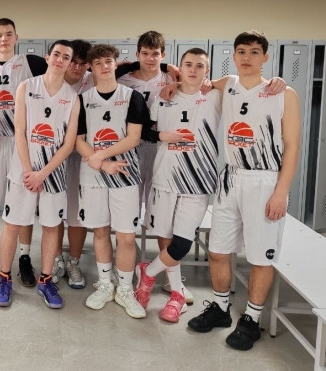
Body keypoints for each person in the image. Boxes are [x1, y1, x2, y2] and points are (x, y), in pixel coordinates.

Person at [187, 31, 299, 351]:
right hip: (230, 178)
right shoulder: (229, 84)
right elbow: (196, 82)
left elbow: (292, 147)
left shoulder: (284, 93)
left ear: (265, 57)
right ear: (233, 56)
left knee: (260, 257)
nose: (247, 57)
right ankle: (221, 308)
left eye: (254, 51)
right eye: (241, 51)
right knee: (218, 250)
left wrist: (281, 192)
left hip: (265, 180)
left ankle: (251, 319)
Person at [133, 48, 220, 322]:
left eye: (200, 66)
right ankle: (177, 295)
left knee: (181, 244)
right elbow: (145, 132)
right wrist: (162, 135)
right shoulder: (164, 97)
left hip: (198, 182)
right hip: (164, 178)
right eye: (188, 64)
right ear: (179, 68)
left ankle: (147, 272)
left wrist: (215, 82)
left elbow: (239, 84)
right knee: (166, 238)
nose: (193, 70)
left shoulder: (216, 96)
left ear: (207, 70)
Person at [0, 40, 80, 308]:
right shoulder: (26, 87)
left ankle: (46, 280)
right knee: (12, 224)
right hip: (24, 171)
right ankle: (4, 279)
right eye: (57, 54)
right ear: (48, 57)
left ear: (70, 63)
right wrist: (30, 171)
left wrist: (43, 173)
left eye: (66, 57)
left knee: (52, 226)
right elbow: (19, 131)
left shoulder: (72, 97)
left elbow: (69, 143)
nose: (60, 60)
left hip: (53, 173)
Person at [0, 18, 47, 286]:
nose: (4, 39)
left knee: (24, 203)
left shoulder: (31, 63)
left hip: (21, 143)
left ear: (16, 37)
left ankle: (24, 257)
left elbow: (62, 70)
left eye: (8, 34)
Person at [77, 44, 149, 319]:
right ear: (91, 68)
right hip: (94, 174)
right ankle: (106, 284)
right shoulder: (83, 100)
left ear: (115, 64)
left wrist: (101, 156)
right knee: (100, 231)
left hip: (126, 173)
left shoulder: (132, 97)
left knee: (127, 236)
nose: (104, 67)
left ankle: (125, 289)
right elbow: (78, 140)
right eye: (98, 63)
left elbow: (134, 137)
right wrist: (102, 162)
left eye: (108, 61)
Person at [51, 39, 94, 290]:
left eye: (82, 63)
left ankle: (74, 262)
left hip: (83, 154)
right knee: (54, 210)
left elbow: (125, 66)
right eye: (73, 62)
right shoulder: (52, 78)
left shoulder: (93, 79)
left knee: (78, 213)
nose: (77, 67)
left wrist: (169, 68)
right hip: (54, 154)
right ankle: (56, 258)